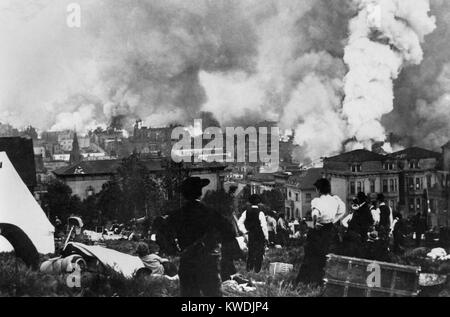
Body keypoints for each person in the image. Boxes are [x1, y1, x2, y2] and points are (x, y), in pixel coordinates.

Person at [166, 177, 235, 297]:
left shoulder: (177, 215)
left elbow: (162, 234)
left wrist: (174, 249)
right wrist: (215, 241)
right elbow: (230, 231)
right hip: (208, 262)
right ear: (200, 192)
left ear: (184, 195)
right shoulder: (210, 212)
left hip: (187, 262)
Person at [296, 178, 345, 285]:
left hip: (319, 230)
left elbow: (315, 214)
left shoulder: (317, 201)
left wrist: (315, 223)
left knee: (311, 255)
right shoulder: (335, 199)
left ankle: (307, 280)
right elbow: (342, 210)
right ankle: (322, 281)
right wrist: (334, 220)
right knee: (326, 256)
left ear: (318, 189)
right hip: (330, 230)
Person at [238, 194, 269, 273]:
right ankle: (257, 270)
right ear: (258, 203)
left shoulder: (246, 212)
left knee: (251, 252)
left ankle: (249, 269)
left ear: (250, 202)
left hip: (250, 234)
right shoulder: (260, 213)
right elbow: (264, 226)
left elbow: (239, 223)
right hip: (259, 235)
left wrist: (244, 231)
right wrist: (266, 237)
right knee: (259, 252)